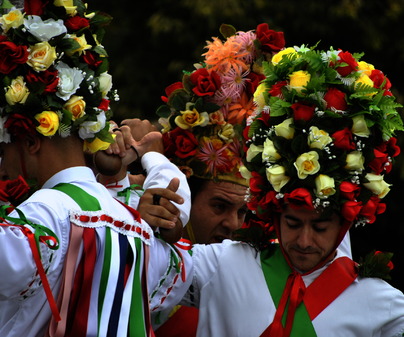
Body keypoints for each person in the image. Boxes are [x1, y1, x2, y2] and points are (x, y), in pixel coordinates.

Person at [149, 44, 404, 336]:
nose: (304, 241)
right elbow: (136, 266)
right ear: (274, 212)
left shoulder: (382, 305)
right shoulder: (223, 264)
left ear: (345, 223)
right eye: (293, 223)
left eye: (320, 227)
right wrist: (150, 177)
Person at [0, 1, 189, 336]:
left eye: (5, 143)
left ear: (30, 142)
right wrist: (153, 157)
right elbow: (184, 258)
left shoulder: (41, 218)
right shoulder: (138, 230)